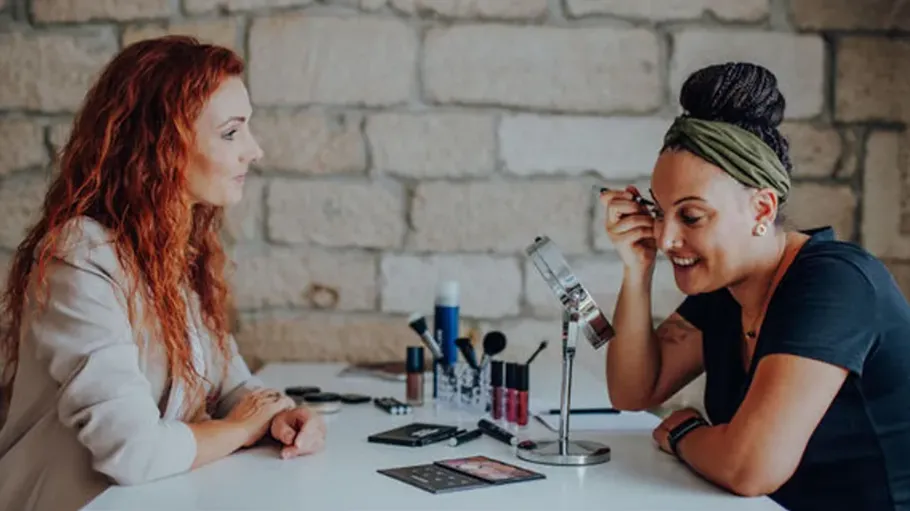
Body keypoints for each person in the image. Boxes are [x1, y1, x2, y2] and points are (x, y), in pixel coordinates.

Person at [0, 36, 326, 511]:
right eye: (232, 132)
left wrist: (283, 416)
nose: (253, 151)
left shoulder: (177, 250)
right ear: (163, 145)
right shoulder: (81, 260)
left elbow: (233, 387)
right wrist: (239, 428)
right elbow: (132, 452)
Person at [601, 62, 910, 511]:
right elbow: (632, 392)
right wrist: (636, 269)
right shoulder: (727, 288)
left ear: (762, 209)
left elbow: (750, 468)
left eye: (690, 216)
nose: (666, 239)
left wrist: (684, 432)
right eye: (659, 211)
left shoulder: (835, 285)